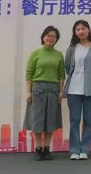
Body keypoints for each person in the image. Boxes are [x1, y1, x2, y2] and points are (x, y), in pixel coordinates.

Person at [24, 25, 65, 161]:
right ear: (43, 37)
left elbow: (61, 74)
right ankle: (38, 149)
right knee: (37, 121)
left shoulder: (59, 54)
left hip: (53, 89)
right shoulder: (36, 53)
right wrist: (28, 91)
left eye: (53, 36)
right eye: (48, 35)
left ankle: (47, 149)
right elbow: (29, 73)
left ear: (56, 39)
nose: (50, 38)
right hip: (37, 89)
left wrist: (61, 90)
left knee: (50, 121)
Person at [64, 20, 91, 160]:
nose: (81, 31)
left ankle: (85, 150)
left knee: (88, 121)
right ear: (75, 32)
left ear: (88, 30)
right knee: (74, 121)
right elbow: (67, 66)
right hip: (73, 89)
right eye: (78, 29)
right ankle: (74, 150)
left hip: (90, 90)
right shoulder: (72, 48)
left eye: (83, 28)